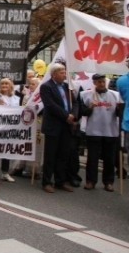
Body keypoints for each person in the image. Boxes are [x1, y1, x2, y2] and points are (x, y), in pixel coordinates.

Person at [40, 63, 78, 193]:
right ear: (54, 74)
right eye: (62, 72)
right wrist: (66, 116)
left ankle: (60, 181)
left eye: (64, 72)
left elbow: (75, 102)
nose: (64, 74)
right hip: (53, 126)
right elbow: (50, 105)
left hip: (66, 126)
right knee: (50, 155)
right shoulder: (46, 87)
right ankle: (46, 182)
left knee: (63, 155)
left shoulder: (67, 87)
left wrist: (73, 115)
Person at [80, 74, 122, 192]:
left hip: (110, 131)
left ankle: (108, 182)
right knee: (92, 158)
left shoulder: (116, 95)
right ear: (94, 83)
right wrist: (90, 107)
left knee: (109, 159)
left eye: (103, 82)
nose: (102, 84)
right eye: (99, 82)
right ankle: (90, 181)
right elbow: (82, 112)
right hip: (93, 131)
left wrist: (120, 109)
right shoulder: (86, 95)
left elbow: (120, 114)